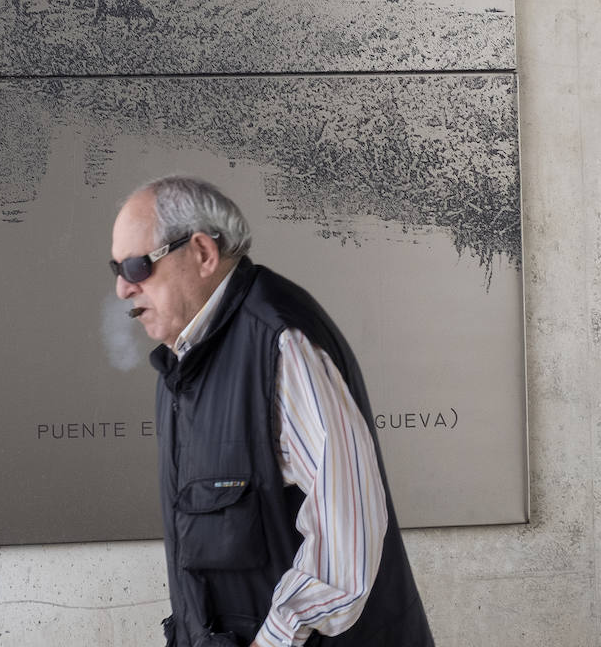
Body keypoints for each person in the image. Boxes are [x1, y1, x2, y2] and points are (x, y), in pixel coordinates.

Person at [110, 176, 434, 647]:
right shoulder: (184, 362)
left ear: (202, 253)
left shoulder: (281, 345)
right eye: (115, 268)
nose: (123, 288)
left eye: (138, 266)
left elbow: (347, 541)